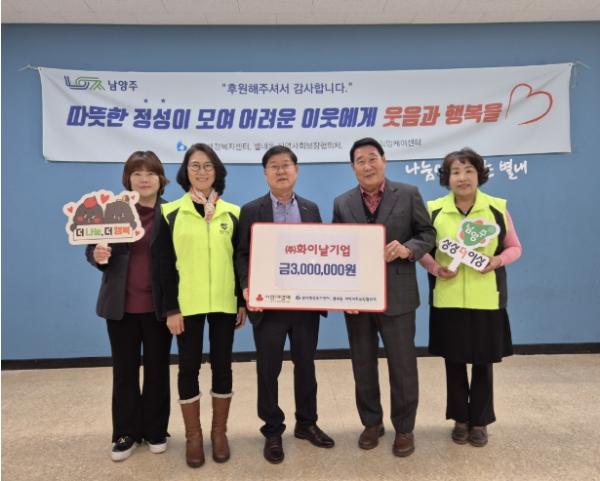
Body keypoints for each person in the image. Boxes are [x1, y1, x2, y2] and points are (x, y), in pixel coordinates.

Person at [332, 137, 435, 457]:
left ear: (384, 160)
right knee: (362, 364)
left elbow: (427, 234)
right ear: (353, 167)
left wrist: (408, 249)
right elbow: (336, 248)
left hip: (398, 296)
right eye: (360, 161)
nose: (367, 165)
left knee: (402, 366)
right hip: (358, 299)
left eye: (372, 158)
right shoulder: (342, 202)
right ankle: (371, 423)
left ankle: (404, 428)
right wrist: (342, 296)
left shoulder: (408, 193)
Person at [236, 145, 334, 464]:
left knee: (306, 366)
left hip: (305, 305)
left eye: (286, 165)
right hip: (268, 307)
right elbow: (241, 254)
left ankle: (307, 423)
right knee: (269, 369)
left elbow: (321, 253)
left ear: (296, 170)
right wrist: (246, 287)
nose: (281, 171)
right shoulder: (251, 210)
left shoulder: (310, 209)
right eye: (274, 166)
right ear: (265, 173)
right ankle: (272, 429)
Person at [419, 148, 522, 447]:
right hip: (448, 298)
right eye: (455, 172)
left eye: (468, 171)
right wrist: (435, 268)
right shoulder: (434, 210)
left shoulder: (496, 208)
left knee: (483, 362)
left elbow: (515, 247)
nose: (462, 178)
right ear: (446, 177)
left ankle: (480, 421)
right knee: (453, 361)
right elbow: (422, 250)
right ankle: (460, 419)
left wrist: (496, 261)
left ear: (479, 175)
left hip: (486, 298)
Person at [158, 143, 245, 468]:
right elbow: (163, 266)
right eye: (195, 165)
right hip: (187, 305)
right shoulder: (170, 213)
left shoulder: (233, 213)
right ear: (186, 171)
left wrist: (240, 301)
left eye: (208, 165)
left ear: (217, 171)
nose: (202, 171)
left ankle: (219, 432)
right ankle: (193, 436)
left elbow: (239, 261)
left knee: (223, 365)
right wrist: (171, 308)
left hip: (224, 302)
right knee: (189, 366)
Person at [85, 151, 172, 462]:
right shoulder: (113, 211)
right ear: (128, 179)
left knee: (158, 370)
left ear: (160, 179)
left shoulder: (171, 213)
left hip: (159, 307)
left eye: (150, 173)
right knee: (124, 372)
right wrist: (96, 255)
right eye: (137, 173)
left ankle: (156, 430)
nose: (144, 179)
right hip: (120, 307)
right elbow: (92, 248)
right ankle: (125, 433)